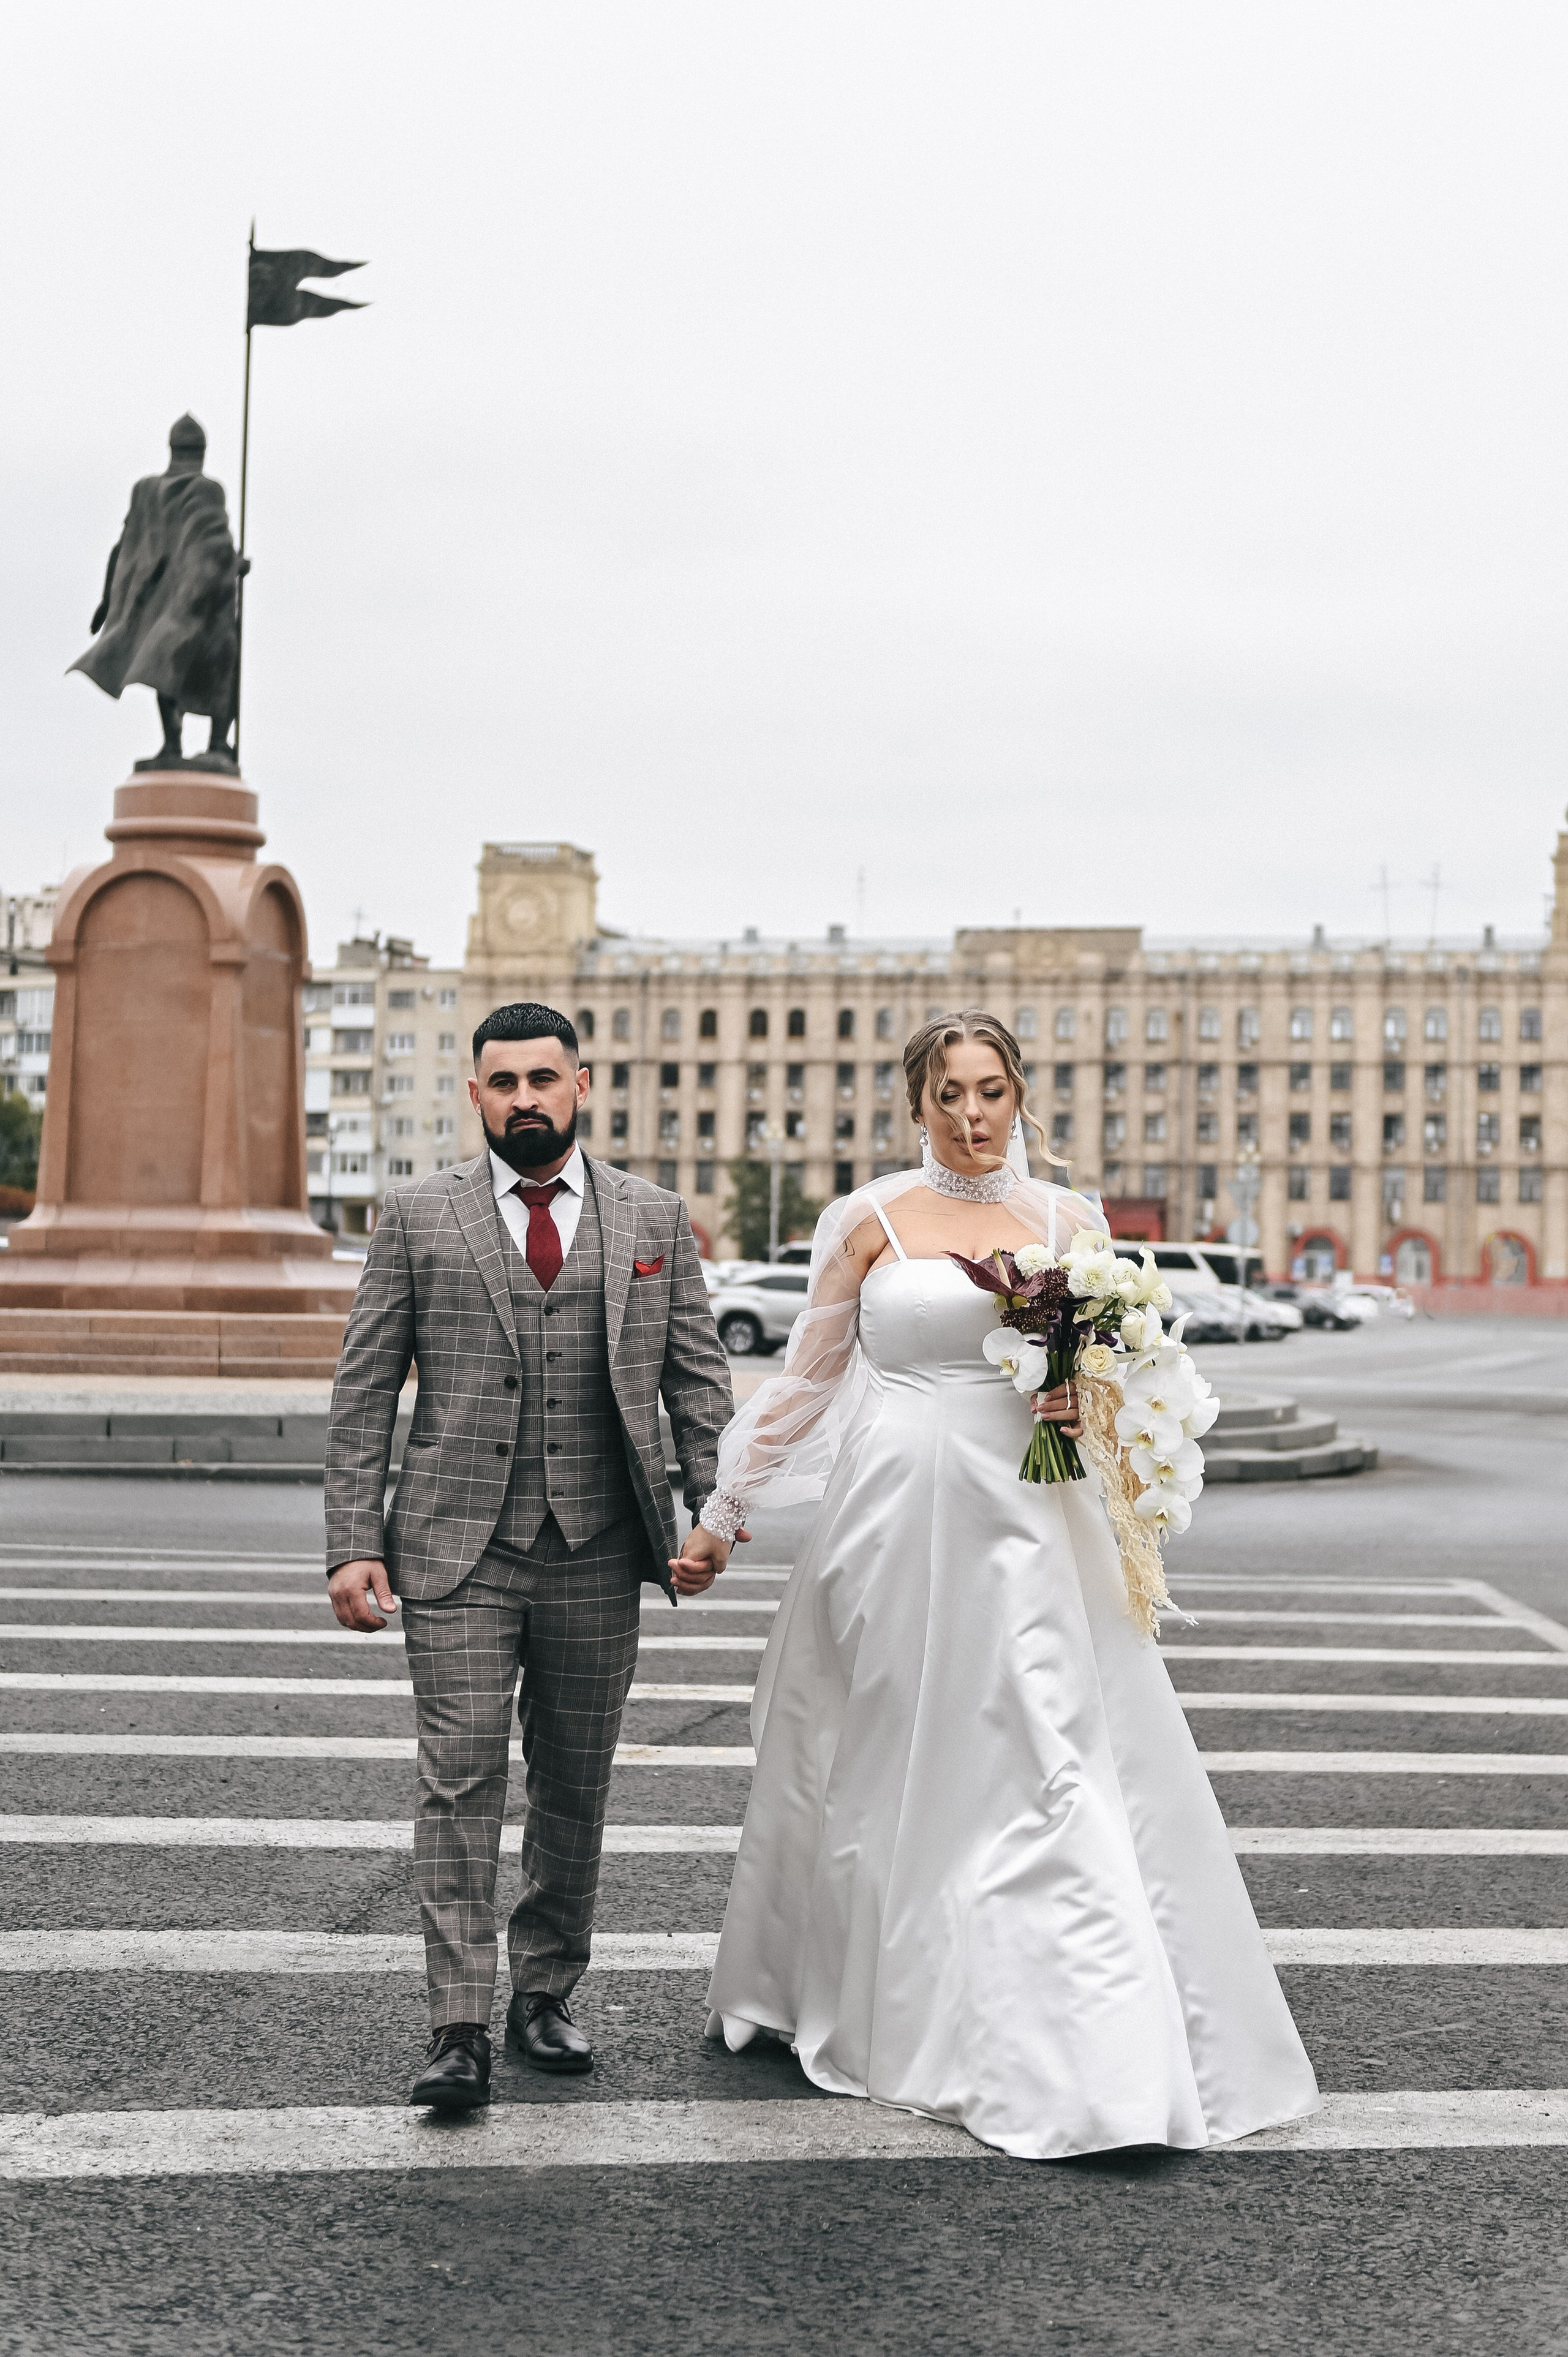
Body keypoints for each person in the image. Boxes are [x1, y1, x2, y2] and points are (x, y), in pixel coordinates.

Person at [693, 1009, 1319, 2160]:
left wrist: (1090, 1395)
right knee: (880, 1753)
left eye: (991, 1091)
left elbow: (1128, 1372)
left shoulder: (1070, 1224)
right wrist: (725, 1512)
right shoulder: (869, 1219)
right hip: (887, 1520)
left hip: (1030, 1519)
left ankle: (1085, 2038)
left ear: (1020, 1094)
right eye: (949, 1095)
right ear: (917, 1103)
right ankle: (857, 1976)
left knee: (1047, 1743)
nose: (973, 1116)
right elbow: (805, 1382)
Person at [325, 1001, 734, 2110]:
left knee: (574, 1785)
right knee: (459, 1779)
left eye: (543, 1078)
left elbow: (698, 1382)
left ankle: (545, 1991)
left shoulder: (653, 1216)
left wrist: (717, 1511)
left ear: (581, 1083)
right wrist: (352, 1539)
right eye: (502, 1082)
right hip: (456, 1546)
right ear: (475, 1095)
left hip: (600, 1544)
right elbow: (366, 1388)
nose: (524, 1099)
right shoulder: (416, 1215)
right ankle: (458, 2022)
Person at [69, 414, 248, 772]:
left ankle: (173, 744)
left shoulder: (144, 490)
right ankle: (215, 744)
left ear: (172, 448)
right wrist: (237, 566)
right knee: (223, 661)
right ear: (202, 451)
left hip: (157, 606)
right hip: (202, 602)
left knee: (163, 661)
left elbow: (122, 549)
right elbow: (215, 547)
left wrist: (107, 601)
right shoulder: (208, 490)